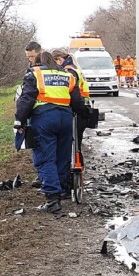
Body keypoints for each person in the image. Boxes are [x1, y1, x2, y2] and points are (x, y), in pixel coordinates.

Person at [15, 50, 84, 212]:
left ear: (38, 62)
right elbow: (77, 101)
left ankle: (53, 200)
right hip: (65, 119)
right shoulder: (67, 75)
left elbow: (26, 98)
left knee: (46, 158)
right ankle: (61, 190)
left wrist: (20, 121)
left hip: (44, 119)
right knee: (62, 156)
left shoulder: (35, 74)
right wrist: (83, 114)